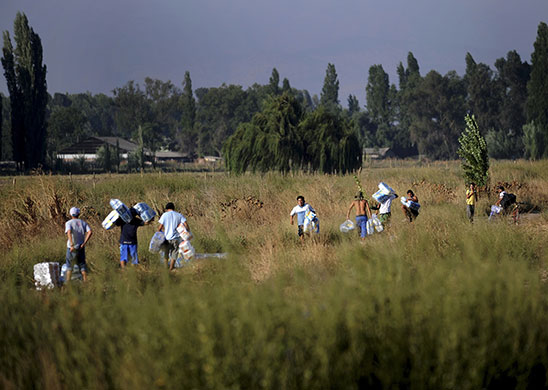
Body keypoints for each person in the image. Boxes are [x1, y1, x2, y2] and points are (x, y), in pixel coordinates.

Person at [157, 202, 191, 270]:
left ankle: (166, 267)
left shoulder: (164, 215)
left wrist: (158, 234)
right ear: (173, 208)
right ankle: (171, 268)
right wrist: (187, 232)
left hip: (166, 238)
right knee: (174, 253)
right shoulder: (179, 215)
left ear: (167, 209)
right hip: (176, 238)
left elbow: (160, 227)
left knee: (166, 253)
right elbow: (186, 225)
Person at [65, 207, 92, 282]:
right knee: (82, 265)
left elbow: (69, 232)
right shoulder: (83, 223)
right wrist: (84, 243)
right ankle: (85, 282)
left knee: (69, 266)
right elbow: (90, 232)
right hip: (81, 247)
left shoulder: (68, 223)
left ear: (70, 214)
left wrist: (71, 244)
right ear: (78, 214)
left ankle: (68, 284)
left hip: (71, 248)